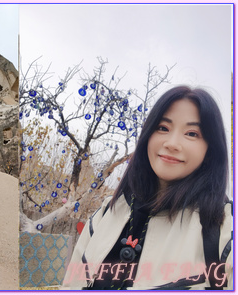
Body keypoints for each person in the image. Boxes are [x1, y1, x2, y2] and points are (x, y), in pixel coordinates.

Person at [63, 86, 233, 289]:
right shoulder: (109, 210)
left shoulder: (223, 224)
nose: (172, 143)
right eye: (163, 128)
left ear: (210, 149)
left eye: (191, 133)